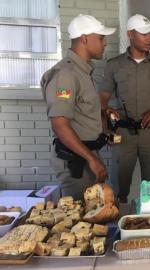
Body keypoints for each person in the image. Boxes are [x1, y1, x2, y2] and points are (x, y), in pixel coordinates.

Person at [100, 14, 150, 203]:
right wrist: (106, 128)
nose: (149, 38)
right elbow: (102, 99)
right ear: (130, 34)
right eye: (144, 34)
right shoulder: (114, 65)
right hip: (123, 133)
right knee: (119, 186)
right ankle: (119, 220)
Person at [41, 14, 116, 200]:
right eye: (100, 38)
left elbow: (82, 111)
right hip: (76, 161)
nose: (105, 43)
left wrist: (103, 119)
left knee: (93, 215)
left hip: (88, 154)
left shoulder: (83, 71)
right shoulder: (65, 74)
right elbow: (60, 125)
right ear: (84, 38)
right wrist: (92, 160)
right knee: (81, 221)